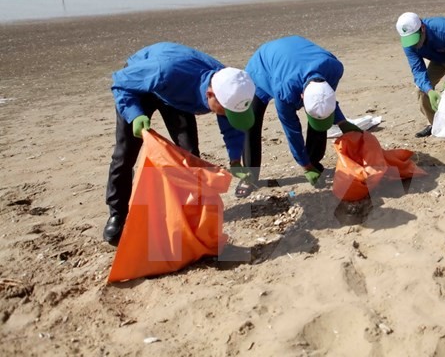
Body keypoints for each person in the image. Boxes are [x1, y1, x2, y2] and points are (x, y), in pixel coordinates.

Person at [104, 42, 256, 245]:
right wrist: (135, 114)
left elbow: (230, 123)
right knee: (125, 154)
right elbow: (120, 83)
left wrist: (235, 159)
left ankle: (189, 211)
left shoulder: (228, 82)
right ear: (211, 95)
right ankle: (117, 213)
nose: (226, 115)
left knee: (189, 154)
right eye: (224, 110)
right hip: (140, 85)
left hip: (176, 95)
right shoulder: (164, 71)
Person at [238, 35, 362, 197]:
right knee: (250, 123)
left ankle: (314, 162)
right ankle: (249, 176)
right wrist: (304, 166)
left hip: (295, 57)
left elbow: (326, 100)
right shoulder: (284, 92)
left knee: (319, 114)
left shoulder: (334, 69)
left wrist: (342, 122)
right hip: (263, 68)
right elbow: (292, 131)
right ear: (302, 97)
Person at [395, 12, 445, 137]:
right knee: (421, 91)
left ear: (423, 28)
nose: (414, 44)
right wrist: (429, 90)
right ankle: (435, 124)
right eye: (410, 41)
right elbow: (418, 70)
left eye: (415, 39)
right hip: (437, 59)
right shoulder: (409, 44)